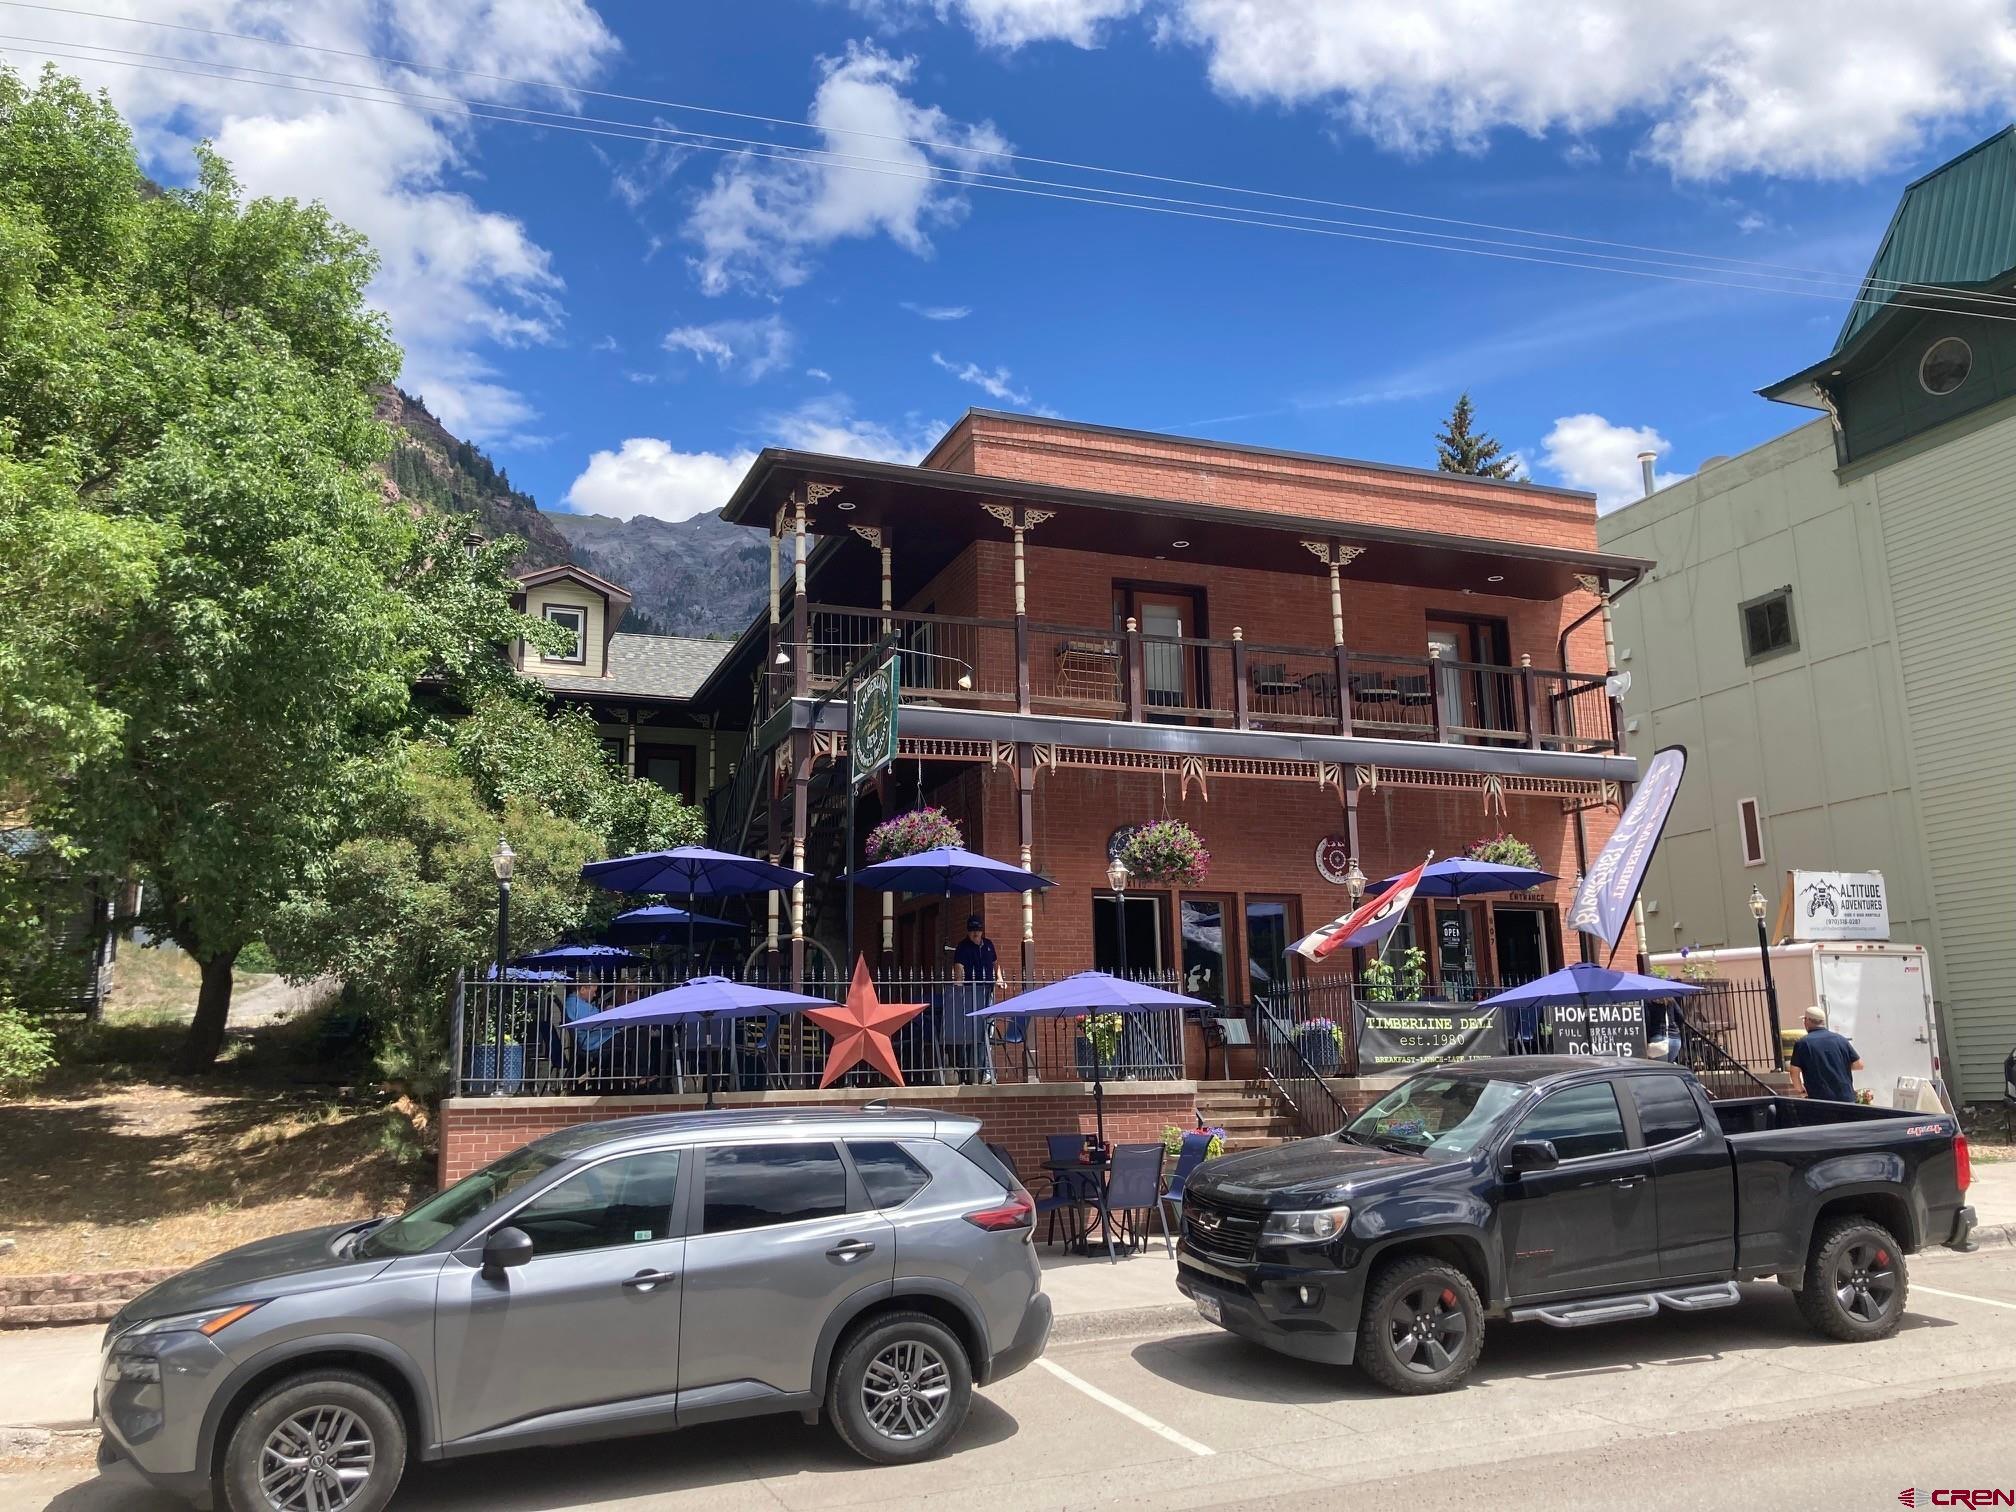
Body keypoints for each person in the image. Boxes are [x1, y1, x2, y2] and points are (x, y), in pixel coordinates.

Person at [954, 914, 1015, 1084]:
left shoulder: (988, 945)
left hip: (988, 992)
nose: (976, 933)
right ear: (968, 931)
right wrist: (958, 984)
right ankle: (974, 1070)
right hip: (971, 993)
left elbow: (995, 963)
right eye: (972, 930)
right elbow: (958, 967)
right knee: (974, 1032)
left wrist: (999, 978)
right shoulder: (963, 947)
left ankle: (986, 1071)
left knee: (988, 1030)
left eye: (978, 930)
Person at [1789, 1006, 1864, 1102]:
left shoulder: (1802, 1044)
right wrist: (1837, 1067)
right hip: (1846, 1099)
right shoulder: (1841, 1040)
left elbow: (1794, 1072)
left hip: (1820, 1101)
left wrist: (1801, 1091)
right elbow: (1859, 1065)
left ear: (1807, 1021)